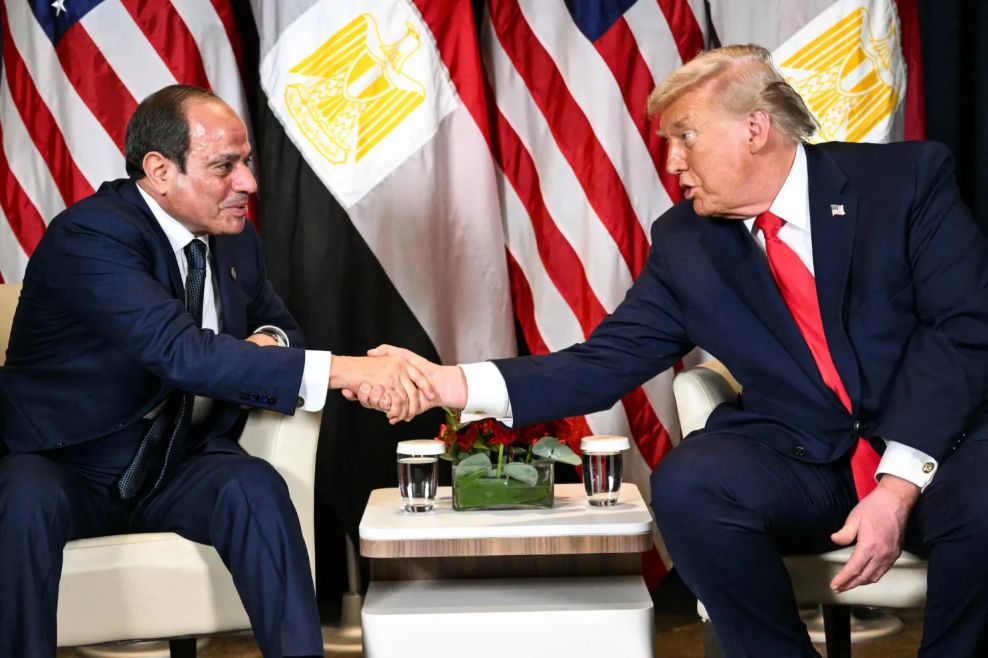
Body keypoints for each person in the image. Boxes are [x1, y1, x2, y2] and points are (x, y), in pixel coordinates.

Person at [352, 45, 988, 657]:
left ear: (755, 129)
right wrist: (444, 384)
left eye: (685, 137)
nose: (674, 162)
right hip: (804, 456)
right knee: (690, 484)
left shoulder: (902, 183)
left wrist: (896, 487)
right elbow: (601, 364)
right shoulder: (687, 242)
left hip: (939, 446)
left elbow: (963, 330)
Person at [0, 85, 434, 658]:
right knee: (23, 499)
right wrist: (351, 371)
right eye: (224, 166)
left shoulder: (233, 237)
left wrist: (263, 344)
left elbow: (284, 331)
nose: (248, 183)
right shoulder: (91, 237)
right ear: (160, 171)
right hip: (67, 463)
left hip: (177, 461)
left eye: (246, 162)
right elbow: (182, 355)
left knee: (255, 487)